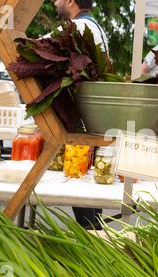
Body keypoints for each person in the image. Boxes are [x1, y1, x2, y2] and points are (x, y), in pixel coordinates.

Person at [53, 0, 107, 229]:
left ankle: (91, 236)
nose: (55, 2)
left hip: (83, 115)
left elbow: (33, 48)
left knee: (80, 177)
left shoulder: (78, 27)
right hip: (92, 114)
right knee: (86, 179)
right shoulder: (93, 26)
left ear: (70, 1)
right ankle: (94, 234)